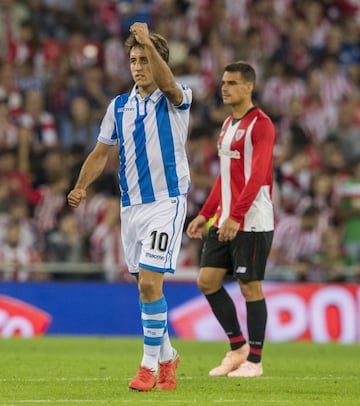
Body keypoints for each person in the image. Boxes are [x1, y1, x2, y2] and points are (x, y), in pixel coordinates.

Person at [67, 22, 192, 391]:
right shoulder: (119, 106)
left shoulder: (177, 97)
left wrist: (147, 40)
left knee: (151, 283)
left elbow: (168, 84)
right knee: (146, 288)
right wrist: (80, 185)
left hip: (165, 202)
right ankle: (169, 356)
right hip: (131, 208)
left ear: (159, 62)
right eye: (134, 60)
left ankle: (147, 368)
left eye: (144, 59)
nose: (138, 66)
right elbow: (101, 151)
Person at [187, 61, 275, 378]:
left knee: (250, 286)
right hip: (225, 218)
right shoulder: (227, 125)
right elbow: (224, 178)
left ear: (249, 87)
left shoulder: (261, 125)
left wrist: (236, 216)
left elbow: (258, 176)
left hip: (251, 221)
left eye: (232, 83)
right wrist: (205, 214)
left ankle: (255, 360)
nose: (225, 88)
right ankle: (237, 348)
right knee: (207, 281)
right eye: (223, 82)